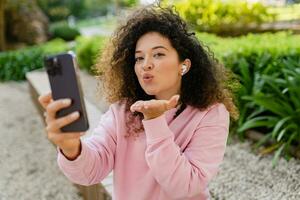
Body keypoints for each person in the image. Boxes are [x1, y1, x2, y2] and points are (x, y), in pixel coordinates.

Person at [38, 4, 239, 200]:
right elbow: (90, 172)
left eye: (158, 54)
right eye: (139, 58)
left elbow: (185, 187)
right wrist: (71, 148)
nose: (146, 65)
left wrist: (155, 121)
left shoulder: (210, 113)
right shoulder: (123, 111)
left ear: (183, 66)